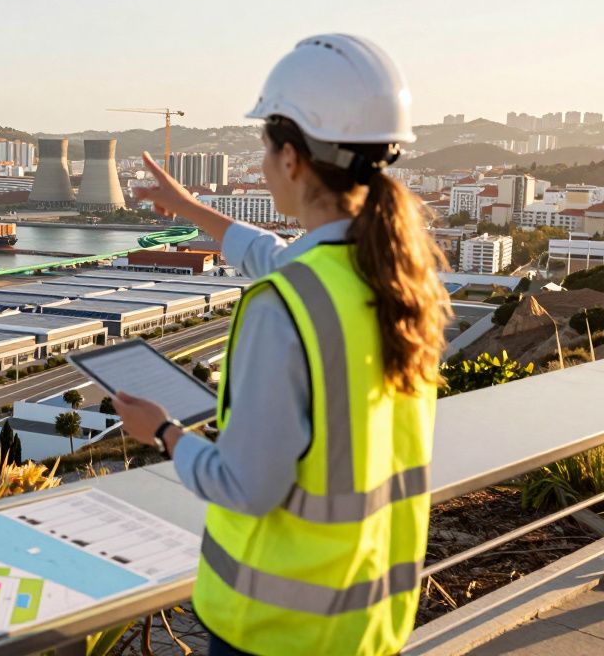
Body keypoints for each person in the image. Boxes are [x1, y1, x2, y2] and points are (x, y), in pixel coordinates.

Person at [115, 34, 452, 656]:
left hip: (276, 629)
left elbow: (247, 486)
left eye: (265, 151)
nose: (264, 166)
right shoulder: (399, 278)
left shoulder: (283, 308)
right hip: (368, 617)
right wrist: (192, 209)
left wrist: (163, 434)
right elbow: (277, 255)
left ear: (292, 159)